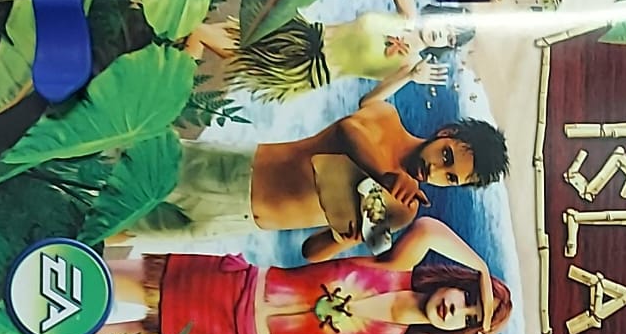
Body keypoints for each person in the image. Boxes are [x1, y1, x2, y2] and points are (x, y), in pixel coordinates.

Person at [99, 216, 512, 334]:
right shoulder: (398, 265)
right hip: (231, 285)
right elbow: (429, 227)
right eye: (469, 299)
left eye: (468, 319)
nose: (457, 310)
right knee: (111, 279)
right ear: (460, 283)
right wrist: (482, 269)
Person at [117, 99, 509, 249]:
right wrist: (385, 176)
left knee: (121, 228)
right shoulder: (386, 120)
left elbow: (312, 251)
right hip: (236, 173)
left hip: (237, 222)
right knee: (121, 169)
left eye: (449, 178)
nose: (436, 170)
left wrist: (343, 240)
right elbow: (348, 132)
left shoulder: (401, 210)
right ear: (446, 133)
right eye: (446, 156)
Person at [186, 0, 474, 105]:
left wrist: (410, 77)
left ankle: (174, 74)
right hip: (300, 33)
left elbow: (367, 103)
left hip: (302, 68)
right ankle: (173, 59)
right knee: (206, 33)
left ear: (446, 47)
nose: (442, 33)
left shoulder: (409, 65)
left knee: (203, 35)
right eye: (447, 24)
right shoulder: (407, 13)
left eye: (450, 38)